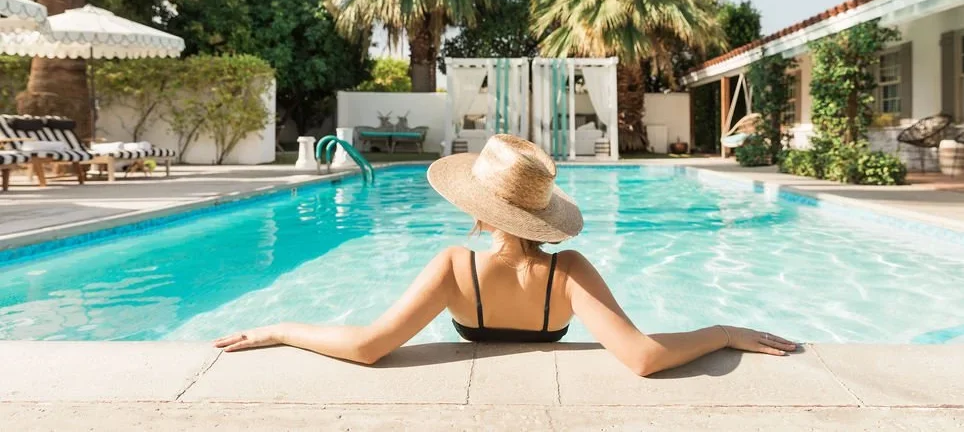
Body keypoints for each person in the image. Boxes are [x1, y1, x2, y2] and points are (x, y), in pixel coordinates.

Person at [215, 134, 797, 376]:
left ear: (478, 209)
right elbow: (642, 357)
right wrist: (721, 332)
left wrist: (283, 327)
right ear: (540, 212)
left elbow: (369, 347)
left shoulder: (454, 267)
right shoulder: (567, 272)